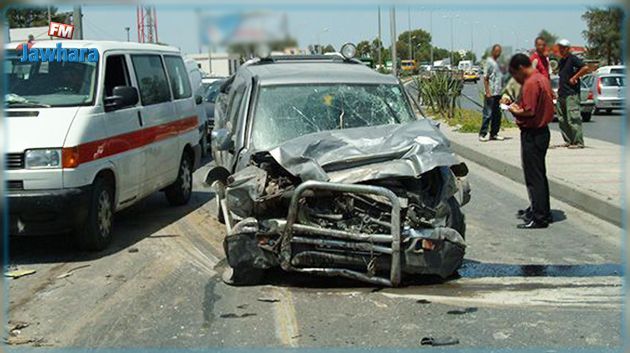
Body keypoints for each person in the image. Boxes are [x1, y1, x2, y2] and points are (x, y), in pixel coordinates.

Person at [507, 54, 555, 229]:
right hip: (542, 132)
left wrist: (514, 111)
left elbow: (529, 111)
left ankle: (539, 216)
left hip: (532, 133)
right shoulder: (542, 79)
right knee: (540, 175)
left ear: (520, 68)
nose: (516, 79)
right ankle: (542, 209)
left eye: (515, 74)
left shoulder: (530, 83)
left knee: (533, 177)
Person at [556, 38, 591, 148]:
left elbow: (585, 68)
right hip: (562, 93)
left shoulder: (573, 59)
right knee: (562, 119)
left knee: (573, 119)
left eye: (563, 48)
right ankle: (568, 140)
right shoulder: (562, 61)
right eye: (560, 48)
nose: (561, 50)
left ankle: (578, 142)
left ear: (567, 49)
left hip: (571, 94)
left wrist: (575, 77)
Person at [479, 44, 505, 142]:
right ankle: (483, 133)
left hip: (498, 93)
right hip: (491, 93)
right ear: (493, 51)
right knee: (488, 114)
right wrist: (487, 91)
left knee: (497, 115)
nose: (499, 53)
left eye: (500, 51)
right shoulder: (489, 62)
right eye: (497, 51)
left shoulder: (499, 62)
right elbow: (486, 78)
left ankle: (494, 133)